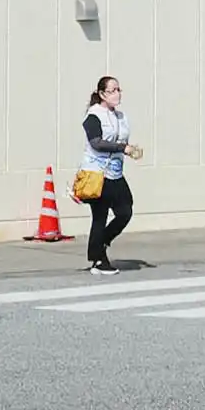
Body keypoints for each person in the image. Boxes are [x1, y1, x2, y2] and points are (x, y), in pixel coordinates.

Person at [80, 75, 141, 274]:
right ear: (101, 94)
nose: (117, 94)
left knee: (125, 211)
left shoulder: (121, 117)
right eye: (112, 90)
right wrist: (122, 148)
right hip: (97, 173)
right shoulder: (94, 115)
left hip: (115, 173)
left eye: (118, 89)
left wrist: (131, 150)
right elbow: (96, 142)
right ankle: (98, 260)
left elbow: (120, 140)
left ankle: (102, 242)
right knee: (100, 216)